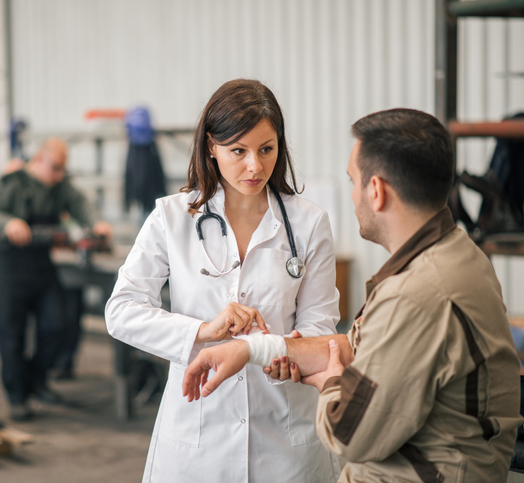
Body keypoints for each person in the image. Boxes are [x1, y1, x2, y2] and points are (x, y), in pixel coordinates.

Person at [182, 108, 523, 482]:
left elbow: (349, 432)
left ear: (376, 191)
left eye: (353, 181)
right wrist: (251, 350)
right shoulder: (455, 253)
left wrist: (330, 382)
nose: (353, 195)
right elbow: (354, 345)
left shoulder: (415, 294)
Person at [105, 79, 342, 482]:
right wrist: (203, 330)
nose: (255, 166)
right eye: (238, 151)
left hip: (285, 438)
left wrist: (286, 354)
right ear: (211, 147)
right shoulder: (173, 217)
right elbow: (121, 311)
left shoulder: (308, 223)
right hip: (199, 438)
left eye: (267, 149)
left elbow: (321, 324)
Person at [0, 138, 112, 420]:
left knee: (57, 324)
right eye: (55, 168)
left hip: (41, 264)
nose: (59, 175)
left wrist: (97, 223)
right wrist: (8, 223)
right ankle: (17, 396)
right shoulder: (13, 183)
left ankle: (36, 380)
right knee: (12, 334)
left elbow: (81, 204)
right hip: (10, 266)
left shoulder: (59, 186)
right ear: (39, 160)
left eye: (63, 169)